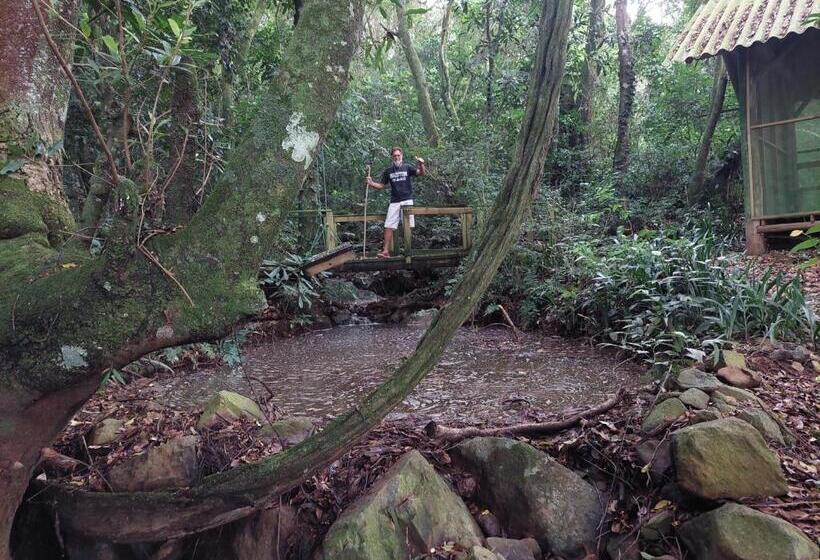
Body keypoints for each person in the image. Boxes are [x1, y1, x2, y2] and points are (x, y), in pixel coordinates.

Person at [365, 147, 426, 258]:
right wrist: (371, 183)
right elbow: (381, 185)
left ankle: (407, 251)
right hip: (395, 201)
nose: (397, 157)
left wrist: (421, 164)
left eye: (398, 155)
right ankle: (385, 251)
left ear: (401, 156)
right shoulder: (388, 171)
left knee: (408, 225)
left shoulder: (407, 167)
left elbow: (421, 173)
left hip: (407, 200)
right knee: (388, 225)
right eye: (395, 156)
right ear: (392, 157)